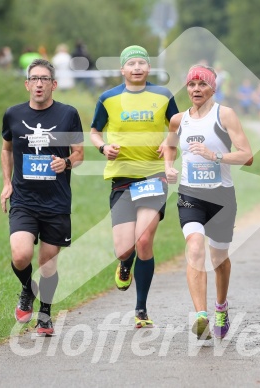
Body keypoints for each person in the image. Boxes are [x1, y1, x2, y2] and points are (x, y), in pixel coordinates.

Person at [90, 45, 179, 328]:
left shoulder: (163, 95)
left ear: (148, 68)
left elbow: (178, 125)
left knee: (144, 241)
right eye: (132, 64)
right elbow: (93, 131)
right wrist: (104, 147)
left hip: (154, 177)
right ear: (123, 69)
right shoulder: (108, 98)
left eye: (142, 62)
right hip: (122, 179)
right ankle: (125, 264)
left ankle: (141, 309)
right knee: (124, 248)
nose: (137, 67)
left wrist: (169, 142)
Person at [164, 65, 253, 339]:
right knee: (194, 246)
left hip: (221, 196)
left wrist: (215, 156)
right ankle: (201, 316)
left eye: (202, 85)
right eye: (191, 85)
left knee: (219, 260)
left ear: (212, 88)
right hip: (190, 194)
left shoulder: (224, 115)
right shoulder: (179, 120)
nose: (196, 90)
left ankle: (221, 307)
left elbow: (247, 155)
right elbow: (168, 145)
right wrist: (168, 166)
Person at [0, 58, 85, 336]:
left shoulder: (68, 114)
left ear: (54, 84)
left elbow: (79, 153)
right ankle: (27, 289)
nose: (39, 84)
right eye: (34, 79)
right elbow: (5, 148)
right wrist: (6, 183)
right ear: (27, 84)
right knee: (21, 255)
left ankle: (45, 315)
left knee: (48, 263)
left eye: (44, 79)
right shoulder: (13, 114)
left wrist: (67, 163)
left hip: (56, 201)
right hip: (24, 199)